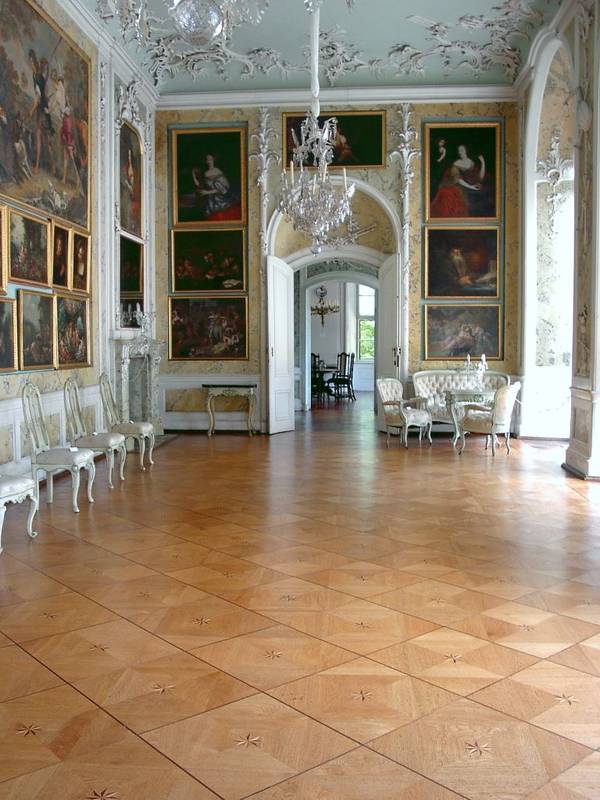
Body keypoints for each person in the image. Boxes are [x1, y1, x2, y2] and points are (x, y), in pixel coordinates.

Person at [431, 143, 486, 218]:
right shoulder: (456, 164)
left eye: (462, 150)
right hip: (459, 185)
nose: (460, 152)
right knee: (447, 194)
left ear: (466, 150)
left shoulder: (472, 162)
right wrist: (471, 187)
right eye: (459, 151)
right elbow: (458, 180)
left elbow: (480, 178)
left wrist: (483, 163)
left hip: (470, 184)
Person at [193, 153, 240, 221]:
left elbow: (223, 188)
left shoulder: (217, 171)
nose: (208, 161)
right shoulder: (205, 173)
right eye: (207, 159)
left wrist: (207, 192)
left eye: (210, 159)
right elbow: (199, 185)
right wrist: (193, 175)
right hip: (210, 200)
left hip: (219, 199)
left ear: (214, 160)